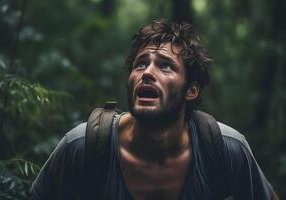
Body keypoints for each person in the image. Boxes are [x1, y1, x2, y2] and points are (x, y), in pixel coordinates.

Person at [30, 19, 279, 200]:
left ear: (191, 90)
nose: (147, 73)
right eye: (140, 64)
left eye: (166, 66)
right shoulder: (83, 145)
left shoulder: (226, 148)